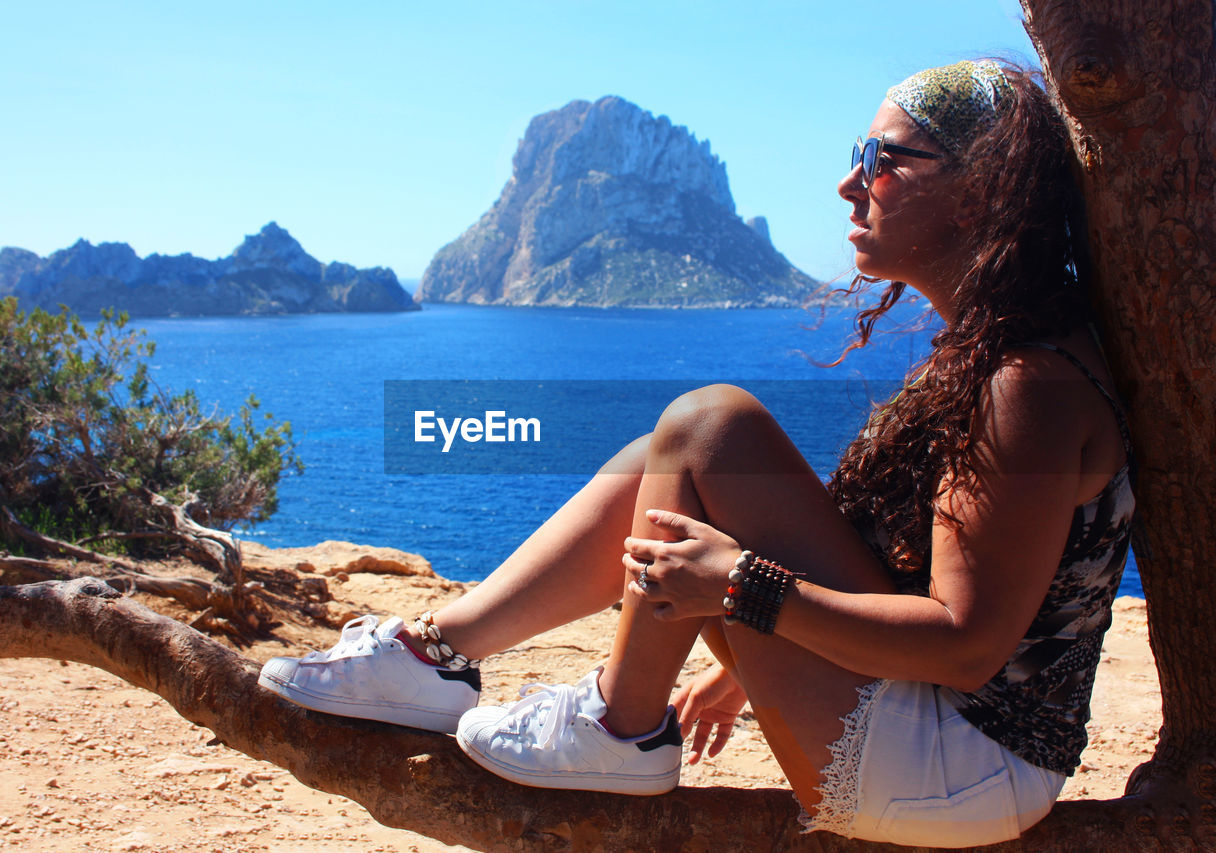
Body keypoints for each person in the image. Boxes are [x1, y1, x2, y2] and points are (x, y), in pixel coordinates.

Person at [258, 60, 1134, 847]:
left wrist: (744, 590)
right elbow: (894, 573)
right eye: (855, 154)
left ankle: (621, 723)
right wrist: (745, 669)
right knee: (668, 452)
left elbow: (965, 646)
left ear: (980, 190)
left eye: (882, 159)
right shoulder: (993, 351)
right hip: (942, 734)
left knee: (712, 425)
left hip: (962, 768)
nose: (846, 183)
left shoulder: (1029, 381)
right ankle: (437, 657)